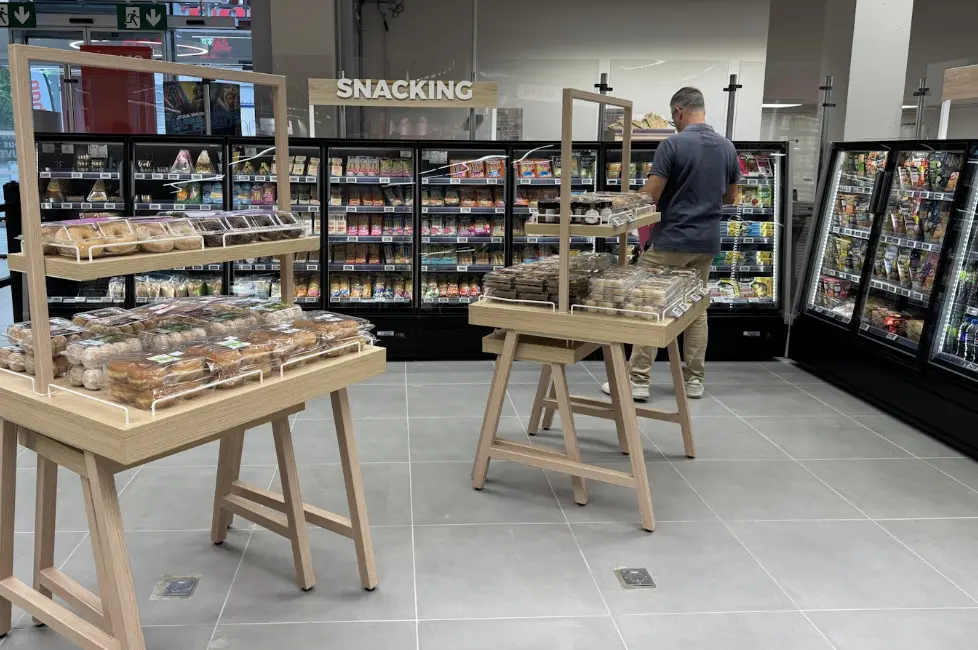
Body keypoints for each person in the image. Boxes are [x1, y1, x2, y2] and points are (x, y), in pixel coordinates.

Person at [602, 86, 740, 400]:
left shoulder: (672, 144)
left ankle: (638, 380)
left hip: (671, 239)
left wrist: (625, 199)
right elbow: (732, 196)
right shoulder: (728, 147)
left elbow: (652, 194)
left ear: (679, 112)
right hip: (706, 242)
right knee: (696, 310)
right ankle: (694, 381)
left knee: (648, 304)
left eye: (673, 116)